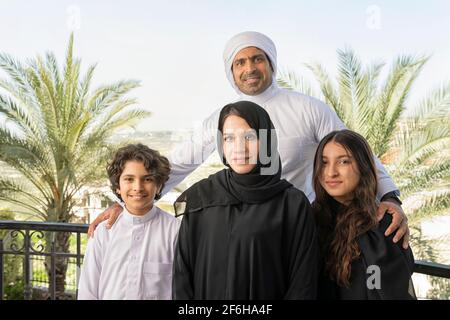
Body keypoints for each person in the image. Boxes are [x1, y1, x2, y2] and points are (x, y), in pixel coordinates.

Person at [88, 31, 409, 249]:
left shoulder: (308, 108)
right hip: (247, 236)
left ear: (271, 63)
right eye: (239, 62)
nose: (249, 68)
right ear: (231, 71)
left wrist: (390, 197)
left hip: (304, 232)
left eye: (257, 58)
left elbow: (357, 154)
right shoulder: (222, 118)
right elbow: (178, 164)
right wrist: (126, 203)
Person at [172, 101, 318, 299]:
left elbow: (303, 283)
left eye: (249, 136)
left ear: (266, 140)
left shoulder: (291, 204)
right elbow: (182, 278)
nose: (239, 148)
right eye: (229, 138)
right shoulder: (201, 196)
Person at [312, 130, 416, 299]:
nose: (331, 172)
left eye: (344, 162)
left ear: (363, 166)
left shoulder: (382, 224)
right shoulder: (310, 219)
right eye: (324, 163)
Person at [78, 144, 180, 300]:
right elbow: (88, 290)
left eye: (147, 179)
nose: (137, 187)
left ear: (159, 186)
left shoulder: (175, 231)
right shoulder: (104, 231)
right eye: (129, 179)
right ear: (118, 186)